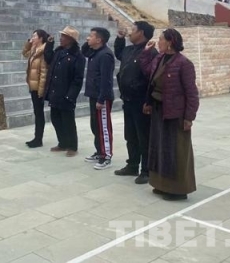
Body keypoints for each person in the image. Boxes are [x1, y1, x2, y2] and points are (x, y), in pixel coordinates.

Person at [140, 28, 199, 201]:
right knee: (159, 148)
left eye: (161, 39)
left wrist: (189, 117)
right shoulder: (159, 58)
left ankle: (178, 189)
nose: (158, 42)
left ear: (170, 42)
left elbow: (191, 93)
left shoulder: (184, 63)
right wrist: (146, 53)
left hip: (175, 113)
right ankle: (161, 185)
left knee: (176, 150)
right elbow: (148, 73)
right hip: (159, 110)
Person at [113, 21, 157, 184]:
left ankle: (146, 170)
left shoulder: (150, 52)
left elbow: (152, 79)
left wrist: (148, 101)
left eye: (133, 30)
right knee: (130, 135)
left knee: (144, 137)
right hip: (128, 100)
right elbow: (119, 53)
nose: (130, 33)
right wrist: (119, 39)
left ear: (141, 33)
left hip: (141, 102)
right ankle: (132, 165)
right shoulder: (129, 50)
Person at [44, 26, 86, 157]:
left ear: (71, 39)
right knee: (56, 119)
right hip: (55, 92)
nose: (61, 38)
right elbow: (48, 58)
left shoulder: (78, 56)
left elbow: (77, 79)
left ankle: (72, 146)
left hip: (66, 94)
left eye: (64, 36)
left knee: (68, 121)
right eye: (61, 36)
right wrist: (49, 45)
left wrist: (70, 96)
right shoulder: (59, 51)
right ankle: (62, 143)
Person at [81, 27, 116, 170]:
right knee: (95, 126)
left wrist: (101, 99)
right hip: (93, 95)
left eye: (91, 36)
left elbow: (106, 80)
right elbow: (84, 51)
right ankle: (99, 151)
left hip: (102, 97)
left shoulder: (105, 55)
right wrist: (88, 42)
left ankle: (106, 156)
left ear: (99, 40)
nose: (88, 38)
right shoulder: (95, 52)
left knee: (103, 128)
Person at [22, 29, 50, 148]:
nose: (32, 38)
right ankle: (36, 137)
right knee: (37, 112)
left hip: (38, 87)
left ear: (41, 38)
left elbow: (43, 72)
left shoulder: (43, 51)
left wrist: (41, 90)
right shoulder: (34, 49)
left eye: (34, 36)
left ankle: (38, 139)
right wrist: (29, 43)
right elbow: (24, 53)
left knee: (39, 113)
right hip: (32, 85)